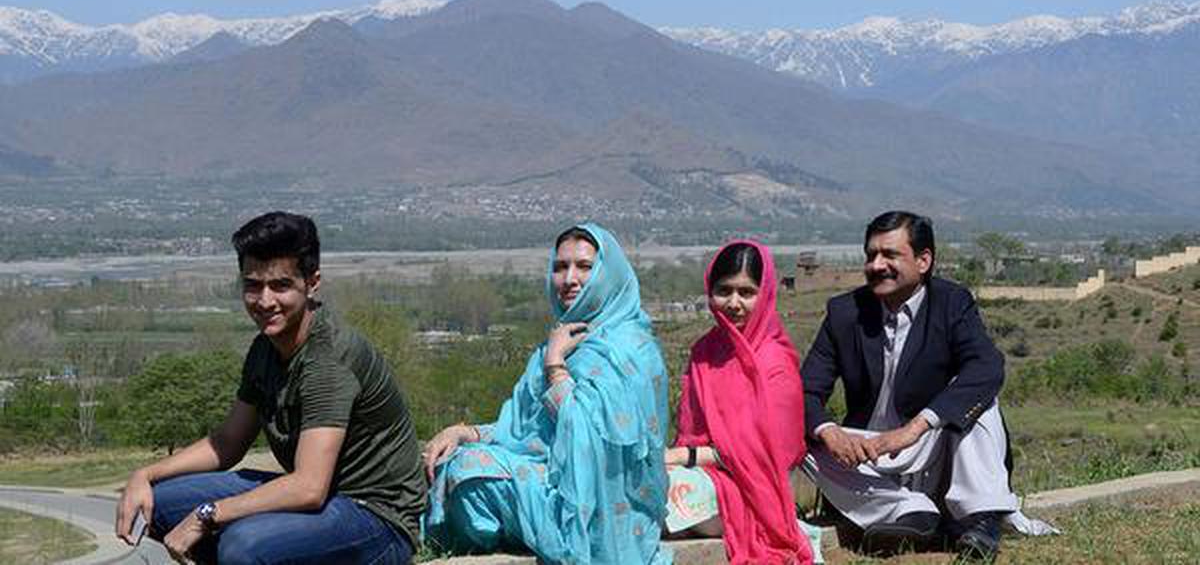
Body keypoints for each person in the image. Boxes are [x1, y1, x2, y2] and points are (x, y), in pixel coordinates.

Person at [114, 211, 425, 564]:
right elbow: (227, 443)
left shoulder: (328, 360)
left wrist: (209, 513)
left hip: (374, 517)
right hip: (321, 502)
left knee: (243, 545)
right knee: (158, 502)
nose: (264, 301)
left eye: (280, 285)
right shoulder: (266, 348)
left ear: (312, 282)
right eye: (252, 285)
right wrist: (144, 475)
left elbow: (309, 487)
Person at [422, 223, 672, 564]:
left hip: (606, 506)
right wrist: (466, 432)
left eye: (584, 267)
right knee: (454, 459)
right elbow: (530, 430)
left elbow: (587, 437)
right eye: (559, 267)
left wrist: (556, 366)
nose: (569, 279)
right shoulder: (560, 340)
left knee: (469, 471)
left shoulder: (630, 349)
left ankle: (557, 536)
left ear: (609, 274)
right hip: (550, 478)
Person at [799, 211, 1041, 560]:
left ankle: (980, 520)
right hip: (869, 455)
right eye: (871, 255)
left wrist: (916, 427)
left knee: (978, 401)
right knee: (795, 432)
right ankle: (911, 513)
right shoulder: (844, 312)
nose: (876, 265)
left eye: (889, 255)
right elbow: (807, 390)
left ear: (923, 260)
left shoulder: (951, 303)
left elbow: (986, 367)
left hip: (929, 445)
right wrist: (829, 432)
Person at [666, 241, 817, 564]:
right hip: (708, 475)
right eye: (724, 291)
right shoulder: (705, 352)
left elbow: (770, 451)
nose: (733, 303)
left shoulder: (775, 361)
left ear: (764, 295)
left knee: (659, 489)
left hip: (761, 490)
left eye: (746, 293)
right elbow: (693, 430)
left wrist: (682, 456)